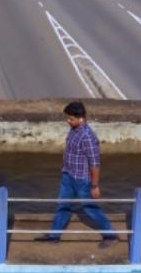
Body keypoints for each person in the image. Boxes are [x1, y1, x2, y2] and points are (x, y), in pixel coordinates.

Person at [34, 101, 118, 248]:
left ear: (81, 118)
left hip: (82, 179)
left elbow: (95, 163)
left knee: (89, 208)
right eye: (67, 118)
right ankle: (54, 235)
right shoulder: (74, 130)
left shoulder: (88, 137)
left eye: (71, 119)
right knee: (62, 205)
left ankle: (110, 234)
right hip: (67, 174)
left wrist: (95, 185)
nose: (68, 121)